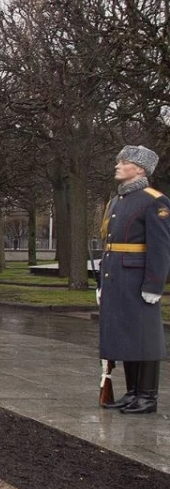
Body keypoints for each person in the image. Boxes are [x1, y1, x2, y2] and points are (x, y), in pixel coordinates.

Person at [98, 145, 170, 414]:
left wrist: (154, 284)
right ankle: (132, 393)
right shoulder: (118, 200)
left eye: (123, 162)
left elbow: (160, 247)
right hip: (117, 277)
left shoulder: (154, 200)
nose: (117, 165)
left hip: (138, 277)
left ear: (139, 169)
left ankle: (147, 397)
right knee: (127, 336)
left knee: (145, 337)